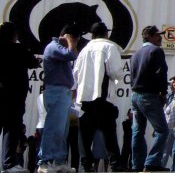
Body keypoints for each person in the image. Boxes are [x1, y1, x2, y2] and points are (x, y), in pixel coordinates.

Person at [73, 22, 125, 172]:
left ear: (92, 35)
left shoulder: (84, 50)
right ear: (106, 34)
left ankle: (86, 165)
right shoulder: (109, 47)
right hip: (101, 95)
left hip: (84, 97)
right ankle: (115, 164)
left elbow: (75, 74)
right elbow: (116, 72)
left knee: (85, 133)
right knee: (109, 131)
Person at [38, 24, 80, 173]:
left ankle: (60, 161)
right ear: (67, 36)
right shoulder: (53, 47)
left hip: (63, 92)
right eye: (75, 39)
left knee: (62, 130)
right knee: (53, 128)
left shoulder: (59, 49)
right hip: (56, 91)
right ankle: (45, 162)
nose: (76, 43)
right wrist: (70, 42)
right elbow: (72, 54)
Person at [0, 21, 39, 173]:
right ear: (13, 35)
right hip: (14, 97)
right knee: (11, 129)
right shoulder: (18, 49)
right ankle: (8, 165)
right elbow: (33, 63)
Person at [130, 25, 169, 172]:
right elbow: (161, 73)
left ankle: (137, 165)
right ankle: (152, 163)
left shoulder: (136, 53)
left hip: (135, 95)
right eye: (158, 35)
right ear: (150, 36)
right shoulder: (156, 51)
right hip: (149, 96)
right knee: (162, 130)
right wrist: (163, 93)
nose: (161, 38)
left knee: (138, 131)